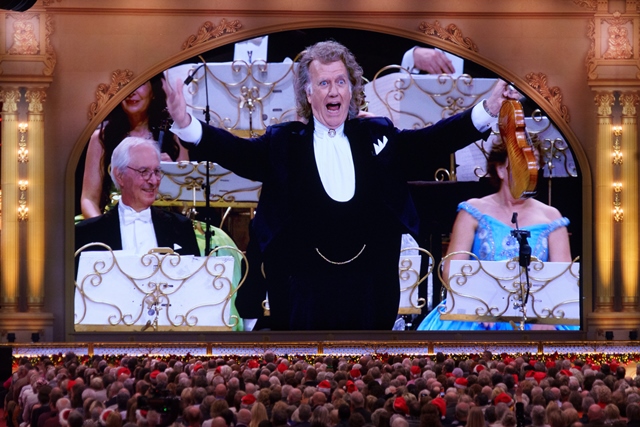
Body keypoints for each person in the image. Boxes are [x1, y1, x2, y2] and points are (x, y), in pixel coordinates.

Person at [163, 40, 518, 331]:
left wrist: (488, 109)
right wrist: (184, 122)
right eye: (323, 83)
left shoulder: (378, 134)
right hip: (302, 291)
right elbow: (235, 152)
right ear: (308, 92)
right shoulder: (284, 143)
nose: (333, 91)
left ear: (351, 89)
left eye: (340, 82)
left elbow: (432, 141)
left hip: (370, 288)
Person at [417, 137, 574, 331]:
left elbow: (563, 280)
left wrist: (546, 316)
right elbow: (451, 271)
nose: (529, 171)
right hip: (476, 311)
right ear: (500, 170)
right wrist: (479, 303)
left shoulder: (551, 217)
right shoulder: (472, 212)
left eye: (533, 165)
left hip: (536, 316)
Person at [80, 74, 189, 219]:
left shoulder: (175, 135)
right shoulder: (102, 138)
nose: (131, 91)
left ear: (153, 91)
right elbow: (89, 200)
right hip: (116, 222)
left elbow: (187, 205)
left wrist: (171, 176)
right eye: (125, 84)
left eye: (140, 83)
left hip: (164, 225)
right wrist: (104, 228)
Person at [75, 137, 200, 257]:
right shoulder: (87, 233)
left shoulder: (181, 227)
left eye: (157, 171)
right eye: (144, 172)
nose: (153, 181)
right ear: (120, 176)